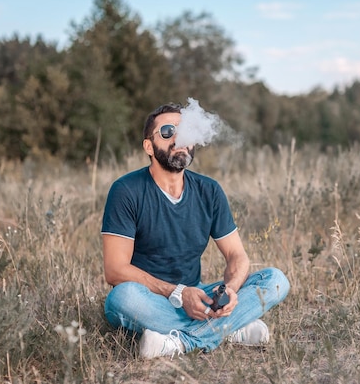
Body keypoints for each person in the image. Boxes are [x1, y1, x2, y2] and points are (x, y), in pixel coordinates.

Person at [101, 103, 290, 359]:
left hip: (199, 299)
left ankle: (180, 341)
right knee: (121, 298)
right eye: (167, 132)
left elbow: (237, 256)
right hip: (151, 299)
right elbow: (115, 270)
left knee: (275, 280)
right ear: (148, 146)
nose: (179, 138)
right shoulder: (126, 190)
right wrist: (178, 293)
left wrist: (230, 291)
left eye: (186, 129)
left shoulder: (209, 190)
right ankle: (227, 331)